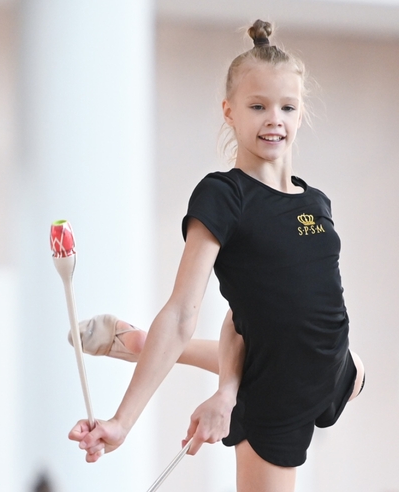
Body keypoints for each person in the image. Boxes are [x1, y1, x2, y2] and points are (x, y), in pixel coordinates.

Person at [67, 19, 366, 492]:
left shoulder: (317, 202)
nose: (275, 119)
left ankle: (143, 344)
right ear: (229, 112)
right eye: (258, 106)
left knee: (350, 369)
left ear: (301, 113)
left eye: (287, 106)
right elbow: (184, 310)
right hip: (273, 397)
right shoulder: (223, 196)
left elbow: (243, 316)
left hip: (338, 372)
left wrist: (227, 385)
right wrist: (122, 422)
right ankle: (152, 348)